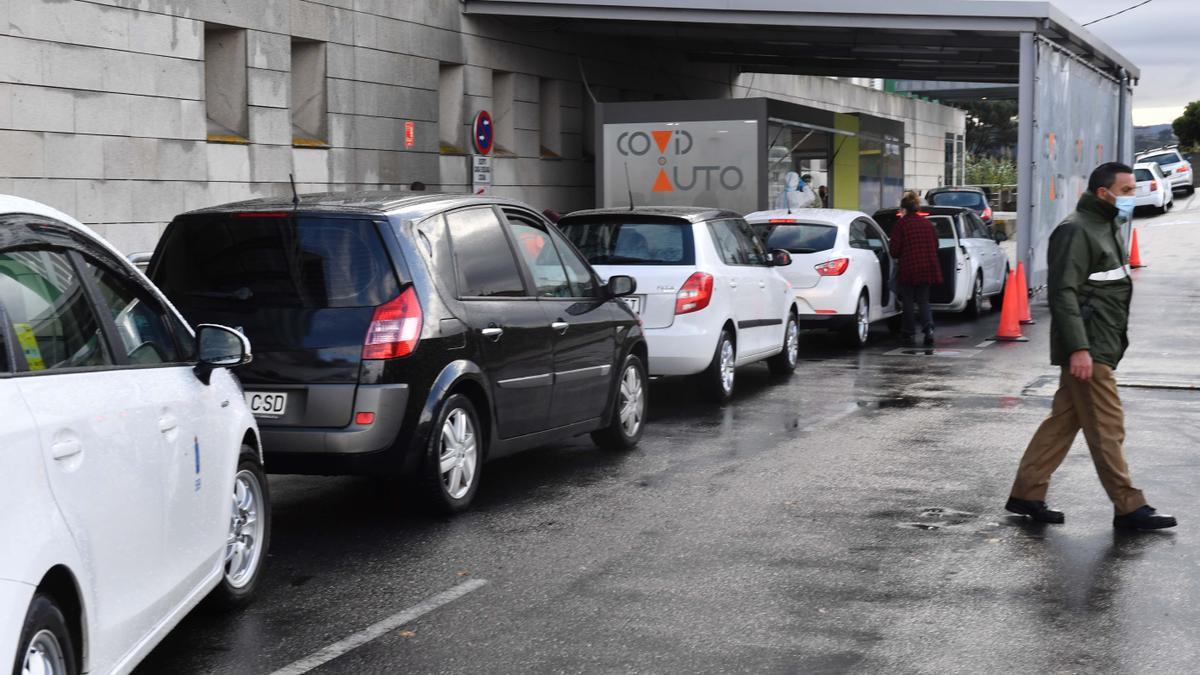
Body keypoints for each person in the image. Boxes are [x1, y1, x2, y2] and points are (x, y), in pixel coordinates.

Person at [1006, 162, 1176, 530]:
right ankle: (1129, 506)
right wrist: (1079, 349)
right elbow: (1063, 293)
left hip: (1100, 340)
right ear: (1104, 193)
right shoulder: (1076, 230)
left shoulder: (1107, 225)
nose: (1134, 196)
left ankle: (1027, 493)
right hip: (1090, 345)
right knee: (1107, 425)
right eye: (1127, 190)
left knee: (1063, 423)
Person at [887, 192, 941, 346]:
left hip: (909, 268)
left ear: (904, 209)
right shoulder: (927, 224)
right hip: (928, 267)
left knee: (908, 302)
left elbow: (894, 251)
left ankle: (909, 332)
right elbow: (936, 245)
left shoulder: (901, 225)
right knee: (924, 300)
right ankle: (928, 329)